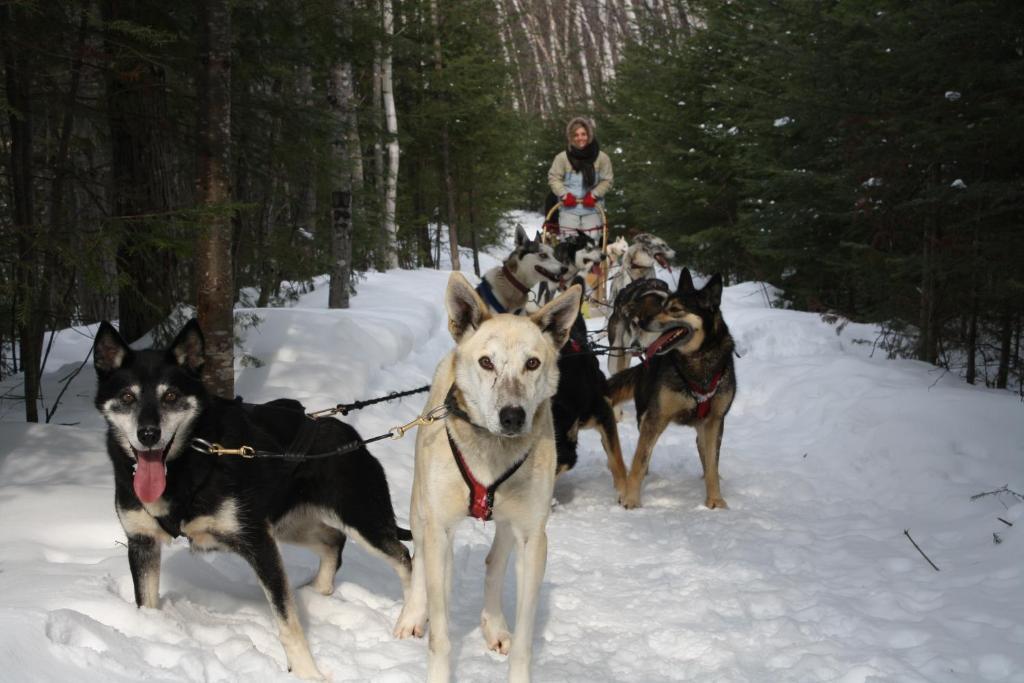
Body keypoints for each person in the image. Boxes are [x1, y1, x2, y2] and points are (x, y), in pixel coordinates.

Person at [547, 116, 614, 238]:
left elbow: (607, 180)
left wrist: (594, 195)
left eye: (583, 134)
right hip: (568, 210)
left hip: (593, 210)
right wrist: (564, 195)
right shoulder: (562, 158)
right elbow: (554, 178)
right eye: (576, 135)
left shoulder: (602, 158)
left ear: (589, 135)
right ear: (571, 137)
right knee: (569, 244)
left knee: (591, 243)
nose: (580, 138)